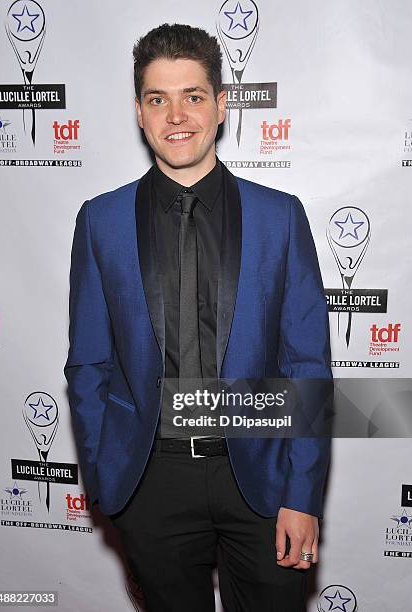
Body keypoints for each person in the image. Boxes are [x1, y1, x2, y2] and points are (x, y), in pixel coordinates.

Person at [64, 23, 332, 612]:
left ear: (221, 106)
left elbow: (307, 364)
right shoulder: (100, 222)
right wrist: (111, 480)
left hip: (262, 480)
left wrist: (303, 493)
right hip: (151, 482)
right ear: (139, 112)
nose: (176, 115)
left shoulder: (280, 218)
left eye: (193, 96)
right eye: (158, 99)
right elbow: (88, 363)